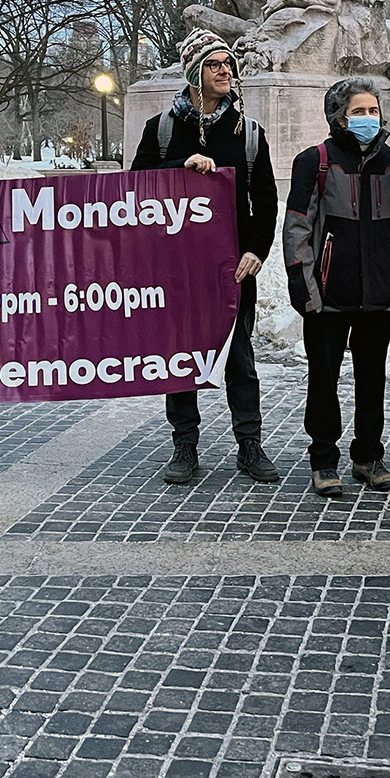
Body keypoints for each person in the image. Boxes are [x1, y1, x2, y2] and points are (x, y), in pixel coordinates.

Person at [130, 29, 280, 485]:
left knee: (240, 359)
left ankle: (250, 445)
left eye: (229, 64)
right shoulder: (161, 129)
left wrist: (256, 250)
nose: (226, 71)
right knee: (181, 357)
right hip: (177, 269)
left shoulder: (248, 134)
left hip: (233, 269)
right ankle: (185, 445)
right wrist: (180, 169)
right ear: (194, 72)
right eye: (216, 64)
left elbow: (266, 201)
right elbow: (135, 187)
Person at [282, 77, 390, 497]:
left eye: (373, 110)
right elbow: (296, 230)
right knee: (323, 379)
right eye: (358, 111)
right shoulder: (314, 161)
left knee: (371, 379)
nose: (367, 118)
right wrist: (306, 291)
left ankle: (368, 455)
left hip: (378, 295)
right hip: (328, 296)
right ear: (338, 117)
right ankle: (323, 458)